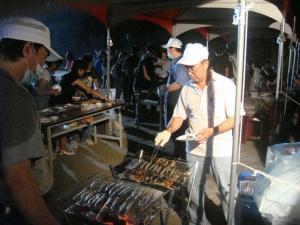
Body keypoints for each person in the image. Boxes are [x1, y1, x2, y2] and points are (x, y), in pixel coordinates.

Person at [155, 43, 243, 225]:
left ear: (206, 63)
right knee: (194, 192)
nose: (189, 72)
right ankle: (197, 222)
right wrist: (167, 130)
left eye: (192, 68)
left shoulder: (226, 85)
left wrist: (213, 131)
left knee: (228, 192)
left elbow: (235, 119)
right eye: (186, 68)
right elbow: (179, 116)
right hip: (194, 149)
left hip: (222, 149)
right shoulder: (187, 88)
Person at [0, 17, 60, 225]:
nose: (42, 64)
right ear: (27, 50)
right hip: (16, 211)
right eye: (43, 56)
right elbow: (18, 178)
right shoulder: (15, 95)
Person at [162, 37, 189, 159]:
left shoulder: (180, 63)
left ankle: (181, 155)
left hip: (176, 101)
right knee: (174, 128)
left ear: (172, 49)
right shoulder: (176, 62)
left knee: (177, 128)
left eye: (168, 49)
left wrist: (165, 88)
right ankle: (177, 152)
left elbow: (180, 83)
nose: (167, 52)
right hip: (173, 100)